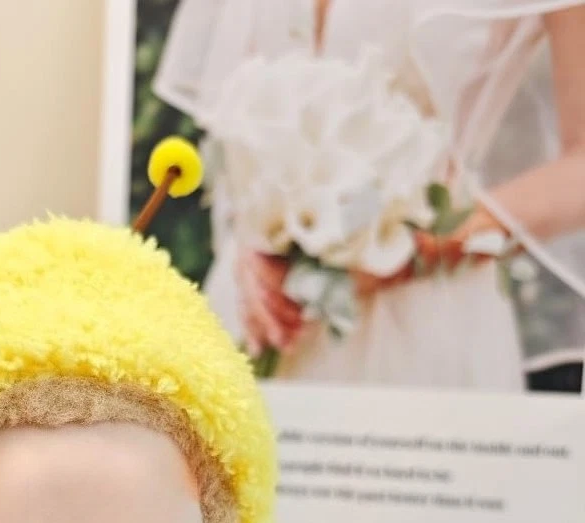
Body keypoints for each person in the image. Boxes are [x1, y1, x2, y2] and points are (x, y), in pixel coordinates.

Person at [154, 0, 585, 391]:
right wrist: (250, 241)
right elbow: (236, 113)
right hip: (260, 307)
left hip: (426, 315)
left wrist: (413, 249)